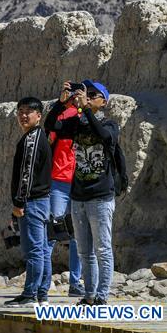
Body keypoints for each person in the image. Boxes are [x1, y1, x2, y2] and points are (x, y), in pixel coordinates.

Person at [45, 80, 118, 306]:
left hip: (101, 196)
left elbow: (104, 137)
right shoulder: (76, 124)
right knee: (85, 251)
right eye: (86, 93)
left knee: (103, 249)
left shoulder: (110, 124)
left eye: (92, 94)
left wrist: (85, 108)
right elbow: (50, 127)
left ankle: (102, 296)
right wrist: (61, 103)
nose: (87, 96)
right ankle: (88, 296)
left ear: (103, 101)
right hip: (78, 196)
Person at [4, 97, 52, 307]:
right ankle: (41, 294)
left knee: (34, 250)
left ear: (38, 116)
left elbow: (27, 174)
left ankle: (30, 293)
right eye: (20, 111)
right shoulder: (38, 136)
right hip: (41, 201)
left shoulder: (32, 139)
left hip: (32, 202)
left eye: (28, 112)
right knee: (42, 250)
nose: (23, 115)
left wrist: (19, 203)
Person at [46, 96, 83, 297]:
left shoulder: (87, 117)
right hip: (59, 180)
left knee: (76, 234)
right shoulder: (60, 116)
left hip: (77, 182)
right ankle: (44, 281)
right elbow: (49, 131)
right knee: (53, 231)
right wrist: (62, 103)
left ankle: (75, 283)